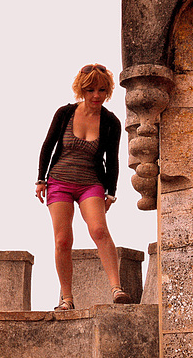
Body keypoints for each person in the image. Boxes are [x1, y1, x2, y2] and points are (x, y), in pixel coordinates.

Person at [35, 63, 131, 310]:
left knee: (99, 230)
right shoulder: (64, 113)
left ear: (107, 91)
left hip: (91, 183)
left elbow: (113, 159)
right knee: (62, 240)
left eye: (101, 90)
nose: (95, 95)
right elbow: (48, 147)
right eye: (90, 90)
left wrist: (111, 191)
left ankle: (117, 289)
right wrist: (40, 179)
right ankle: (67, 299)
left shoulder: (111, 122)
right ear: (82, 90)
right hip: (59, 182)